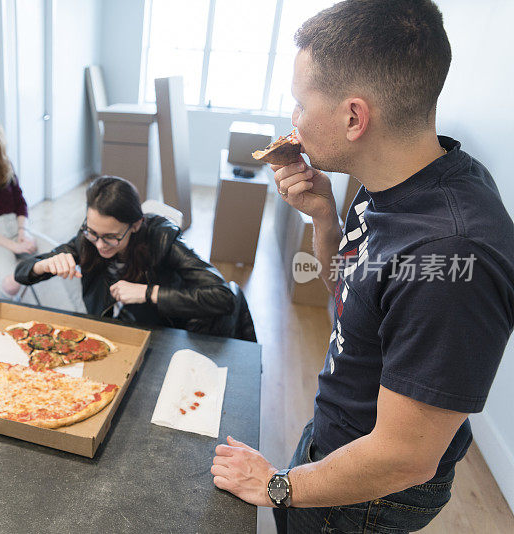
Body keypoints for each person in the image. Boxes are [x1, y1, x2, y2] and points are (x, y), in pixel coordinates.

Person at [210, 1, 514, 532]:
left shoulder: (453, 255)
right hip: (340, 435)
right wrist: (325, 219)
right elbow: (352, 296)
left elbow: (405, 457)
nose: (294, 122)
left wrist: (277, 485)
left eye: (301, 105)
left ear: (354, 117)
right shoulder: (390, 182)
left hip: (372, 492)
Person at [15, 176, 256, 341]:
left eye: (110, 237)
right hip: (108, 331)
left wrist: (148, 292)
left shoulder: (162, 239)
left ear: (136, 225)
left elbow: (223, 296)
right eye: (93, 232)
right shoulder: (88, 238)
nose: (99, 245)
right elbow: (20, 273)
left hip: (159, 335)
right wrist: (41, 264)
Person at [0, 109, 81, 310]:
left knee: (67, 260)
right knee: (11, 285)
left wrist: (23, 232)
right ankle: (5, 312)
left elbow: (20, 203)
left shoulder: (4, 165)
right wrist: (14, 247)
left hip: (17, 228)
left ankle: (84, 314)